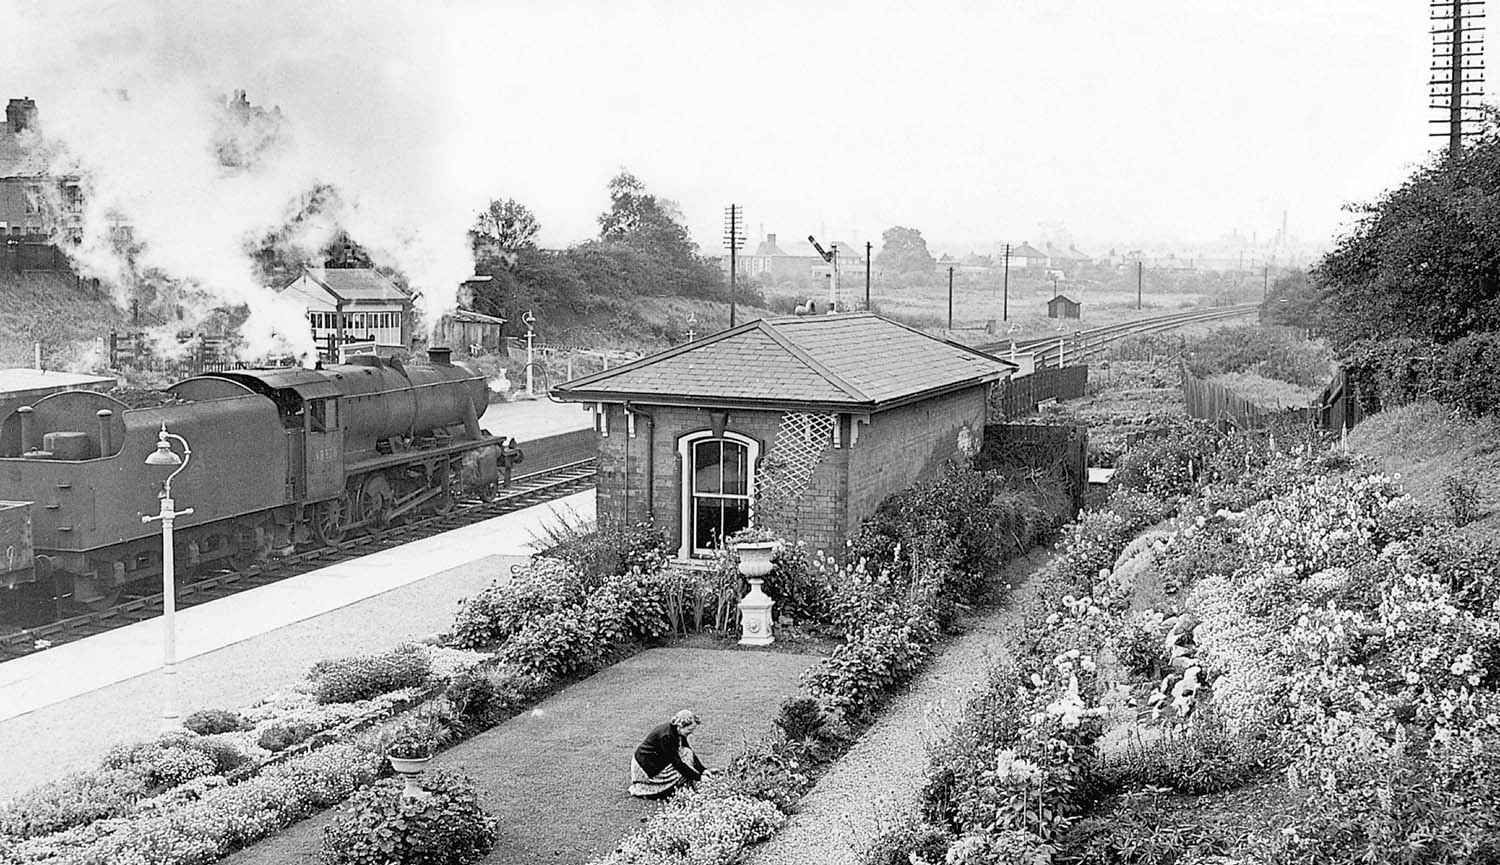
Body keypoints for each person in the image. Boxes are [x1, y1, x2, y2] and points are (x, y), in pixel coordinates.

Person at [628, 709, 707, 799]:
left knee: (687, 753)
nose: (691, 733)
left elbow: (688, 750)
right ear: (681, 725)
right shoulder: (667, 736)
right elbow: (677, 763)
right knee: (685, 761)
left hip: (656, 760)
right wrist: (699, 777)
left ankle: (683, 785)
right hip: (646, 768)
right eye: (689, 730)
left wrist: (703, 770)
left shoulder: (677, 731)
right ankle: (669, 789)